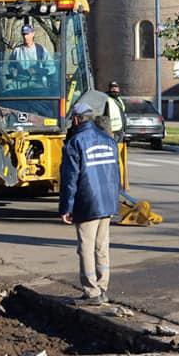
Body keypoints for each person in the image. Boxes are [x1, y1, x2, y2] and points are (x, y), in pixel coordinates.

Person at [59, 101, 121, 305]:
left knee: (85, 247)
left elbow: (70, 180)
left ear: (76, 119)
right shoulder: (108, 139)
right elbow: (115, 173)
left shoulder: (75, 143)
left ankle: (92, 292)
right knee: (102, 247)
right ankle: (103, 287)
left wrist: (66, 208)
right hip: (107, 202)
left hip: (87, 203)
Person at [9, 23, 54, 88]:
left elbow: (51, 68)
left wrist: (37, 70)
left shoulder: (40, 49)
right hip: (20, 84)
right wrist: (12, 70)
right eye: (23, 34)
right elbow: (11, 65)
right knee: (6, 92)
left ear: (33, 34)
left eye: (27, 34)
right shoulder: (16, 50)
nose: (25, 36)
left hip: (37, 83)